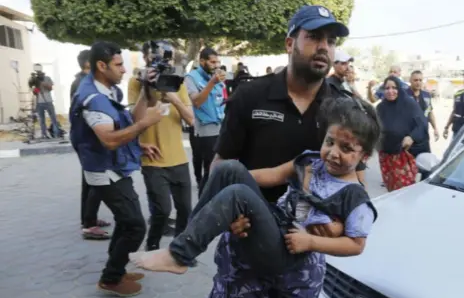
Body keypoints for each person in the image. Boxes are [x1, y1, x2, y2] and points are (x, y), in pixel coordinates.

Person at [187, 5, 369, 298]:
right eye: (313, 36)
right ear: (290, 42)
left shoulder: (342, 107)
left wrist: (339, 222)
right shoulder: (251, 95)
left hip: (304, 247)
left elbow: (355, 179)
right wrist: (229, 215)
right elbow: (223, 163)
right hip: (247, 237)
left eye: (330, 41)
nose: (324, 47)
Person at [129, 96, 379, 277]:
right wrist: (234, 177)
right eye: (330, 142)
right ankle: (184, 250)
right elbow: (273, 174)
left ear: (365, 156)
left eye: (346, 149)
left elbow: (356, 245)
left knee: (237, 193)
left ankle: (180, 254)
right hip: (274, 224)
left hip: (289, 251)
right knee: (227, 169)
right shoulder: (311, 160)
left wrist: (312, 243)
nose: (334, 153)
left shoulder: (356, 199)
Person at [69, 41, 165, 297]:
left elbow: (128, 121)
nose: (124, 70)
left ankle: (117, 270)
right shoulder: (93, 98)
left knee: (126, 222)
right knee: (135, 226)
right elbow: (109, 139)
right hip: (104, 172)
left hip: (113, 167)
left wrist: (146, 89)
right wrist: (146, 123)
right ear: (101, 66)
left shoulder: (108, 91)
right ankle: (111, 278)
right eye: (119, 64)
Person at [128, 42, 195, 251]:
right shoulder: (136, 82)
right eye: (152, 57)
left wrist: (174, 97)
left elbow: (191, 120)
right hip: (153, 160)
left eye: (165, 58)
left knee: (185, 209)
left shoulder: (179, 82)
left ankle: (180, 249)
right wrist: (145, 89)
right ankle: (153, 244)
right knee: (162, 210)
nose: (159, 62)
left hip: (179, 159)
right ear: (145, 58)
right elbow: (135, 120)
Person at [72, 49, 111, 239]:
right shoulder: (83, 85)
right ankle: (88, 224)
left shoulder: (85, 81)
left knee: (90, 181)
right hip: (88, 141)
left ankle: (89, 218)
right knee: (95, 181)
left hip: (88, 141)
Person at [184, 48, 226, 196]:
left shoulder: (216, 76)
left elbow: (221, 100)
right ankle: (204, 200)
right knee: (209, 169)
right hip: (204, 129)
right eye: (212, 62)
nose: (216, 65)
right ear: (202, 61)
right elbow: (197, 102)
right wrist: (211, 83)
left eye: (218, 62)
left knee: (217, 168)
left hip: (220, 127)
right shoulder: (191, 77)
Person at [376, 76, 426, 191]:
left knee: (404, 190)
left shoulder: (409, 104)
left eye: (394, 88)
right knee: (391, 189)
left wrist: (411, 137)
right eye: (387, 88)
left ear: (399, 88)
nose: (390, 91)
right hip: (385, 156)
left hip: (403, 155)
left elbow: (422, 124)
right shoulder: (380, 107)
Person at [407, 70, 440, 156]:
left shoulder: (426, 95)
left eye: (420, 80)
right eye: (415, 80)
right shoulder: (403, 95)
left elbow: (429, 112)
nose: (418, 82)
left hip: (424, 138)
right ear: (410, 80)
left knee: (426, 163)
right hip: (409, 138)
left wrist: (435, 128)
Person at [30, 63, 61, 138]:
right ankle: (44, 134)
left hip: (48, 101)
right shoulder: (34, 80)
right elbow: (35, 92)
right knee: (41, 120)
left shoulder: (47, 78)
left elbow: (50, 88)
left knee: (53, 118)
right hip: (39, 102)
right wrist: (35, 86)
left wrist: (43, 84)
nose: (39, 75)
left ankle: (57, 133)